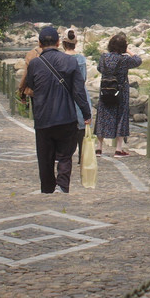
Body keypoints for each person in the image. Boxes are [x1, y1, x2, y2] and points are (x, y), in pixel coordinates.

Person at [25, 26, 93, 193]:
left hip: (43, 117)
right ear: (57, 42)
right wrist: (86, 114)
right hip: (66, 116)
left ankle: (47, 187)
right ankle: (62, 185)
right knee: (65, 154)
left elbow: (32, 86)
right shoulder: (71, 61)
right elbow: (78, 91)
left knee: (45, 156)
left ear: (39, 43)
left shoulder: (34, 64)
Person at [94, 32, 142, 157]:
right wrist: (129, 51)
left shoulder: (104, 57)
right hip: (120, 91)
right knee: (121, 117)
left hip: (105, 90)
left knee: (103, 116)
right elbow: (138, 60)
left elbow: (99, 69)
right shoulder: (124, 59)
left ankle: (99, 148)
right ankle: (118, 149)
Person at [61, 28, 89, 163]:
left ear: (62, 43)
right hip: (80, 95)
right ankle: (82, 157)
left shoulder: (60, 59)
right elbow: (83, 78)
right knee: (81, 127)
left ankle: (65, 155)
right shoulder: (81, 59)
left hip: (64, 96)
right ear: (76, 42)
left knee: (65, 128)